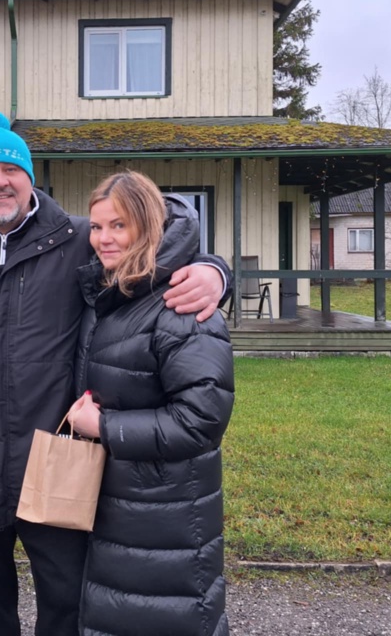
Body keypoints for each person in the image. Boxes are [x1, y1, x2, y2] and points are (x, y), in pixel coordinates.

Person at [0, 111, 233, 636]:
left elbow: (162, 225)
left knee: (66, 609)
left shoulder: (79, 239)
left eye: (11, 169)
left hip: (57, 465)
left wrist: (215, 270)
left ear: (30, 177)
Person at [66, 170, 235, 636]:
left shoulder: (181, 305)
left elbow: (201, 420)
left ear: (146, 226)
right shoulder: (113, 293)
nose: (103, 238)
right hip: (125, 505)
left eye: (118, 225)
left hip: (168, 513)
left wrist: (104, 427)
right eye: (96, 227)